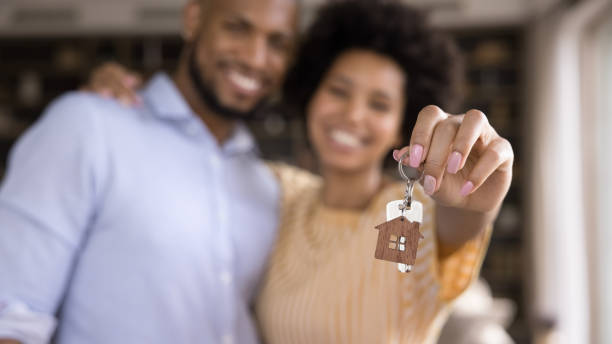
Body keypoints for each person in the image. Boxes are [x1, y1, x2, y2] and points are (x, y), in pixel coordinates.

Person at [84, 1, 514, 343]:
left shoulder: (406, 212)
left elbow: (457, 223)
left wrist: (476, 202)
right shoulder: (279, 194)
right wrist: (127, 110)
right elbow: (188, 164)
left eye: (379, 104)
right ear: (310, 94)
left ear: (401, 124)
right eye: (338, 91)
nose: (351, 115)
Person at [0, 0, 299, 343]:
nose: (255, 58)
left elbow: (376, 245)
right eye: (236, 28)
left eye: (278, 44)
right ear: (193, 19)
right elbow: (11, 317)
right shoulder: (89, 127)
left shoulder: (270, 187)